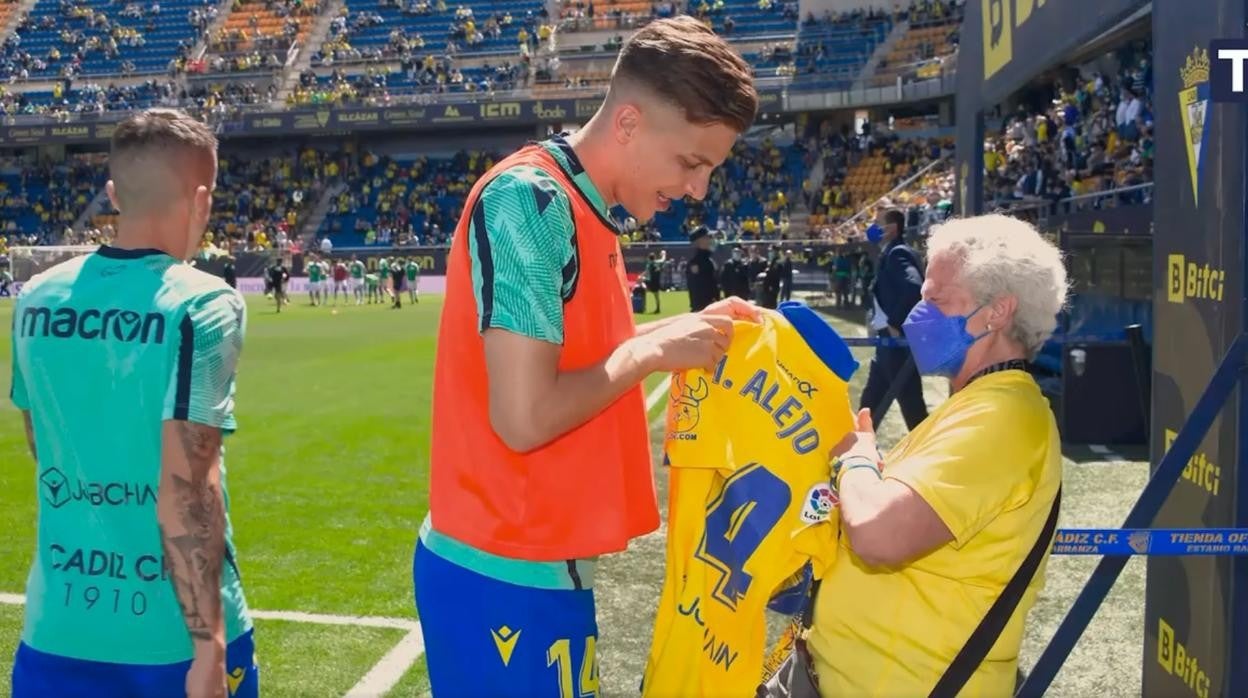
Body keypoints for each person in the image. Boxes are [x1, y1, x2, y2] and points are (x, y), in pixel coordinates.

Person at [416, 16, 760, 698]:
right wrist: (648, 350)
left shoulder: (582, 208)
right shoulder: (529, 201)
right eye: (692, 163)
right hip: (502, 569)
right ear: (628, 123)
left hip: (535, 565)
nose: (697, 190)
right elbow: (523, 417)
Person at [7, 109, 257, 698]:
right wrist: (208, 647)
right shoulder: (203, 304)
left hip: (57, 626)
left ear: (114, 193)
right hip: (167, 637)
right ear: (202, 199)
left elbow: (41, 442)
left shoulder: (36, 297)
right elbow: (189, 484)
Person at [808, 215, 1067, 696]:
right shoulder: (978, 404)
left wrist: (857, 458)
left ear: (997, 311)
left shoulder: (1005, 416)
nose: (917, 314)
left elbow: (879, 535)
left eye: (936, 299)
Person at [859, 208, 927, 431]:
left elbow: (913, 287)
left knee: (913, 412)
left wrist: (896, 324)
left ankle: (928, 456)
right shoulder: (890, 253)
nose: (874, 228)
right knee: (868, 409)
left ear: (892, 228)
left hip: (896, 346)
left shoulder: (898, 253)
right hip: (886, 347)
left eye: (879, 223)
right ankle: (859, 451)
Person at [685, 225, 719, 311]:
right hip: (703, 311)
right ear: (701, 241)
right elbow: (697, 291)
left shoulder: (708, 260)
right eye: (709, 237)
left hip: (710, 308)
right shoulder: (696, 263)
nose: (712, 239)